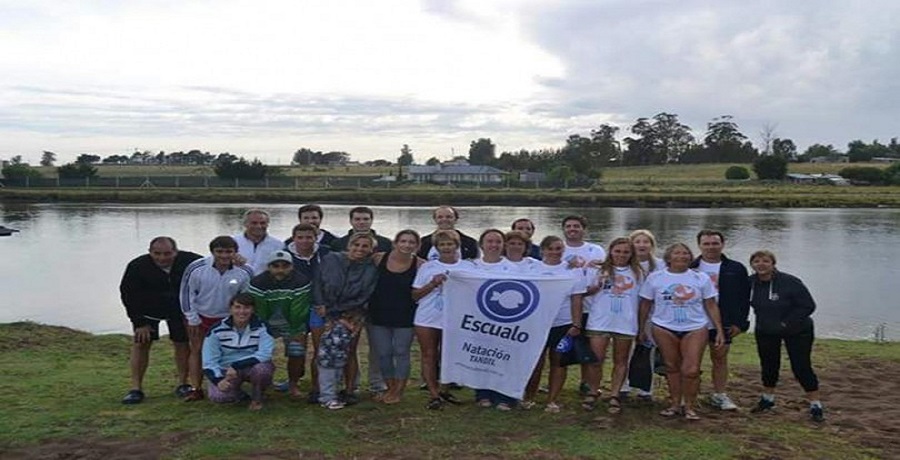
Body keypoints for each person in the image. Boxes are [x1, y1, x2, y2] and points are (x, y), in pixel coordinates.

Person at [638, 243, 725, 421]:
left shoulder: (700, 278)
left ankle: (690, 406)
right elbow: (645, 304)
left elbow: (710, 304)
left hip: (695, 327)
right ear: (669, 257)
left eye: (686, 253)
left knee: (691, 369)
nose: (682, 256)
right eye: (677, 253)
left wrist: (719, 330)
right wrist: (641, 329)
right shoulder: (656, 278)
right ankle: (675, 404)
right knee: (671, 366)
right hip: (663, 326)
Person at [119, 236, 202, 404]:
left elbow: (213, 266)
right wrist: (139, 322)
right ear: (149, 252)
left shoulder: (191, 261)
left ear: (176, 251)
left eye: (167, 254)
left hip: (179, 310)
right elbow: (128, 294)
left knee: (182, 344)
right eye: (157, 254)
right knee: (141, 343)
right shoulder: (137, 266)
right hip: (148, 311)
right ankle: (136, 388)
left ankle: (183, 384)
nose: (162, 258)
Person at [747, 250, 824, 422]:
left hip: (797, 330)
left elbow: (808, 306)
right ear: (752, 264)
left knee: (801, 366)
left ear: (773, 263)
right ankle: (768, 399)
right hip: (766, 330)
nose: (761, 264)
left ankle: (815, 404)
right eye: (756, 261)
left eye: (765, 261)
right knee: (768, 364)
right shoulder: (750, 283)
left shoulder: (790, 282)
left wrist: (786, 323)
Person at [180, 236, 254, 401]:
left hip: (229, 319)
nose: (224, 256)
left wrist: (241, 319)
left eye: (229, 252)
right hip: (201, 317)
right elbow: (186, 293)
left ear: (235, 252)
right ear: (212, 252)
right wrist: (191, 317)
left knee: (231, 351)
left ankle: (231, 385)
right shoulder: (196, 267)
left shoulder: (245, 270)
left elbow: (247, 297)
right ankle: (196, 388)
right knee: (197, 351)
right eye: (219, 252)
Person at [313, 232, 379, 405]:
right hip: (324, 310)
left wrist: (340, 315)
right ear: (349, 245)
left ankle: (350, 389)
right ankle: (324, 391)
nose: (360, 249)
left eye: (365, 246)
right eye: (356, 245)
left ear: (371, 250)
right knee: (325, 350)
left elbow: (365, 295)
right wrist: (320, 304)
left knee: (349, 351)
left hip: (352, 313)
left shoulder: (371, 268)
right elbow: (318, 281)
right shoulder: (331, 259)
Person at [689, 229, 750, 411]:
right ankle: (692, 395)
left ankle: (719, 394)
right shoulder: (691, 266)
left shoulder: (736, 268)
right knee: (693, 360)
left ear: (722, 244)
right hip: (695, 321)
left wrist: (740, 323)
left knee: (720, 358)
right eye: (706, 244)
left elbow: (744, 298)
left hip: (723, 322)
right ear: (699, 245)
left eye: (715, 243)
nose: (711, 247)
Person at [582, 238, 644, 414]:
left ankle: (615, 394)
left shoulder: (638, 272)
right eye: (617, 251)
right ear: (611, 251)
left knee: (621, 360)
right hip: (600, 320)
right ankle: (593, 391)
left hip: (625, 322)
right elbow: (583, 291)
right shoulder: (598, 268)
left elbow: (644, 299)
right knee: (596, 360)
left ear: (631, 254)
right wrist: (595, 286)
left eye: (626, 252)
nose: (621, 255)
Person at [526, 236, 587, 413]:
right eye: (550, 248)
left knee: (559, 362)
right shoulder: (532, 268)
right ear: (543, 250)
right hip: (537, 323)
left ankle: (552, 400)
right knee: (535, 362)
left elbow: (577, 300)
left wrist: (576, 324)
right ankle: (529, 397)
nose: (555, 252)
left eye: (559, 248)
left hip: (563, 324)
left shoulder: (573, 271)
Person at [412, 229, 471, 410]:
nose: (446, 248)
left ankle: (445, 389)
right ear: (436, 248)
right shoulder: (428, 267)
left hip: (455, 318)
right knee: (429, 355)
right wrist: (432, 283)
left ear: (457, 246)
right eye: (442, 245)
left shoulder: (467, 267)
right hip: (428, 317)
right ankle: (433, 394)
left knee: (450, 355)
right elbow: (415, 295)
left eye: (450, 244)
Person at [368, 230, 424, 404]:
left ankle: (399, 390)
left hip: (405, 315)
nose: (407, 245)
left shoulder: (420, 264)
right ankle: (390, 387)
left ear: (417, 245)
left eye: (411, 242)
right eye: (403, 241)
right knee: (383, 353)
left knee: (401, 352)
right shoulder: (378, 259)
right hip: (378, 313)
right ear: (395, 243)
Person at [248, 250, 312, 398]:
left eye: (285, 266)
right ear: (268, 267)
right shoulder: (258, 282)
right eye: (275, 266)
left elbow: (298, 310)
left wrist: (295, 332)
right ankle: (262, 383)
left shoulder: (301, 281)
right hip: (266, 321)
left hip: (292, 322)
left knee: (296, 350)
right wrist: (265, 330)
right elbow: (259, 309)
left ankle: (293, 384)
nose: (280, 270)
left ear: (292, 266)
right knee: (260, 351)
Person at [202, 293, 275, 411]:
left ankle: (257, 397)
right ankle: (242, 394)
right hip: (226, 369)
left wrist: (236, 365)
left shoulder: (263, 327)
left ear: (253, 309)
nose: (242, 311)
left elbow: (265, 354)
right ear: (230, 309)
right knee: (218, 397)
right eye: (237, 307)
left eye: (247, 308)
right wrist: (218, 380)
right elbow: (209, 361)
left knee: (262, 371)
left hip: (252, 367)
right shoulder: (216, 330)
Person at [285, 222, 331, 403]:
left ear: (315, 238)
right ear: (294, 238)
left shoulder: (326, 253)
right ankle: (293, 384)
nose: (305, 241)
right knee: (297, 350)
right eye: (300, 237)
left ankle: (317, 386)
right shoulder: (285, 255)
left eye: (309, 237)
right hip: (296, 309)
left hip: (318, 307)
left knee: (320, 349)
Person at [472, 229, 517, 410]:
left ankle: (505, 396)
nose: (494, 245)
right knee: (481, 358)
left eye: (498, 242)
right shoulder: (470, 267)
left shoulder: (514, 268)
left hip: (505, 322)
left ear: (503, 245)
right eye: (489, 241)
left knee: (505, 359)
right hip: (479, 321)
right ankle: (483, 394)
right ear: (481, 245)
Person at [624, 229, 666, 401]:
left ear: (652, 245)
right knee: (625, 351)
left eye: (645, 242)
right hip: (627, 312)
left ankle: (646, 390)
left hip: (652, 314)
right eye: (637, 242)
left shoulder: (661, 265)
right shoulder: (624, 264)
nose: (642, 245)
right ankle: (623, 385)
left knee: (648, 349)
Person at [316, 313, 361, 410]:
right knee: (328, 371)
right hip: (328, 353)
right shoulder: (331, 321)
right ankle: (326, 398)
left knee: (338, 369)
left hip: (340, 351)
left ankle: (334, 395)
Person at [232, 209, 284, 275]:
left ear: (267, 224)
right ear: (245, 224)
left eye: (262, 223)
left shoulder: (278, 245)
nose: (259, 226)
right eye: (254, 223)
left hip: (264, 283)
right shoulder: (233, 242)